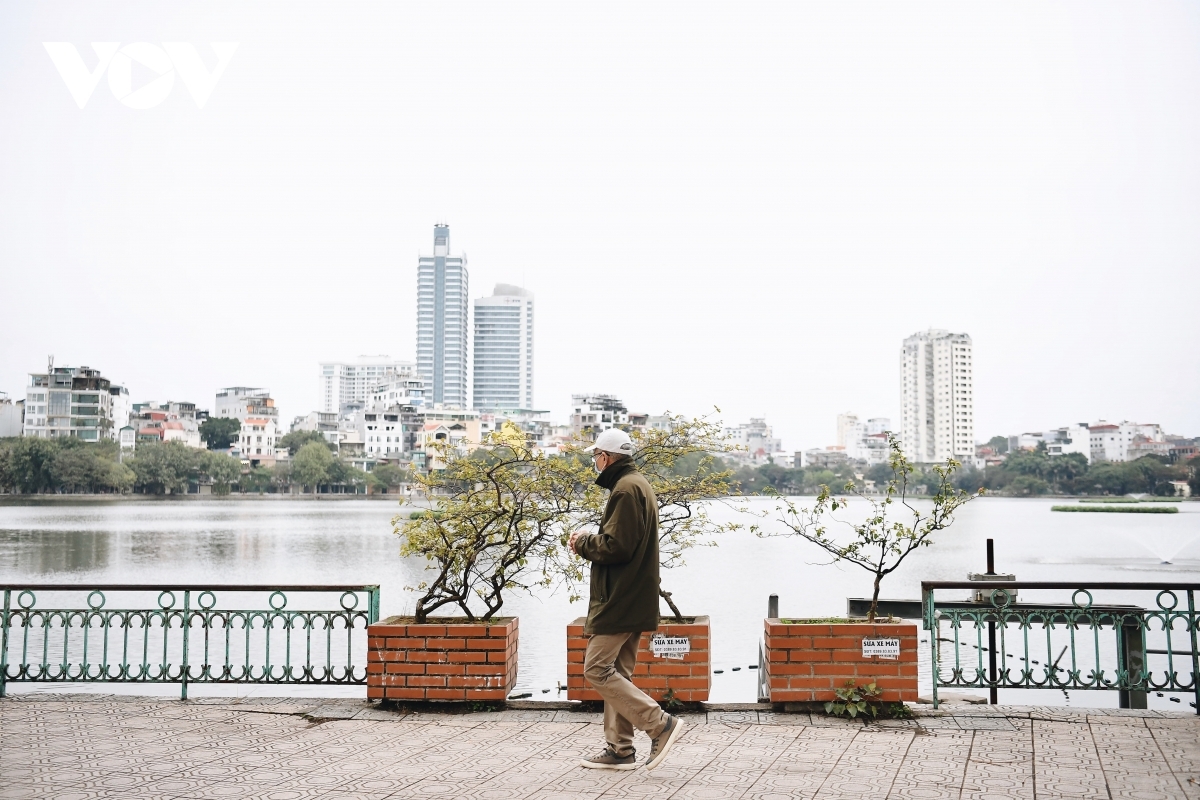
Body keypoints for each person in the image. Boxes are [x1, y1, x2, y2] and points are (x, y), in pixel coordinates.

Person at [568, 428, 684, 772]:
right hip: (633, 595)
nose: (595, 462)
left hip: (620, 598)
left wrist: (583, 541)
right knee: (617, 671)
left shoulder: (626, 490)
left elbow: (617, 547)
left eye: (596, 456)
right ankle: (620, 750)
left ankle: (659, 724)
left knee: (597, 668)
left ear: (607, 456)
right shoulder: (636, 485)